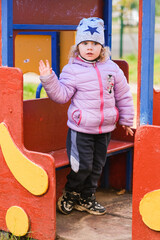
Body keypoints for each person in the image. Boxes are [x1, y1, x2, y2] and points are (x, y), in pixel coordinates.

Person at [39, 17, 134, 216]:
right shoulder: (72, 70)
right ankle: (70, 194)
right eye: (84, 44)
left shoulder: (112, 69)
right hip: (80, 129)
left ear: (102, 47)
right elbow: (61, 95)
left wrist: (125, 120)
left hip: (105, 128)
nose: (89, 48)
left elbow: (123, 95)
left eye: (94, 44)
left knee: (97, 166)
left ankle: (86, 198)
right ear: (78, 47)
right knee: (81, 166)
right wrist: (49, 79)